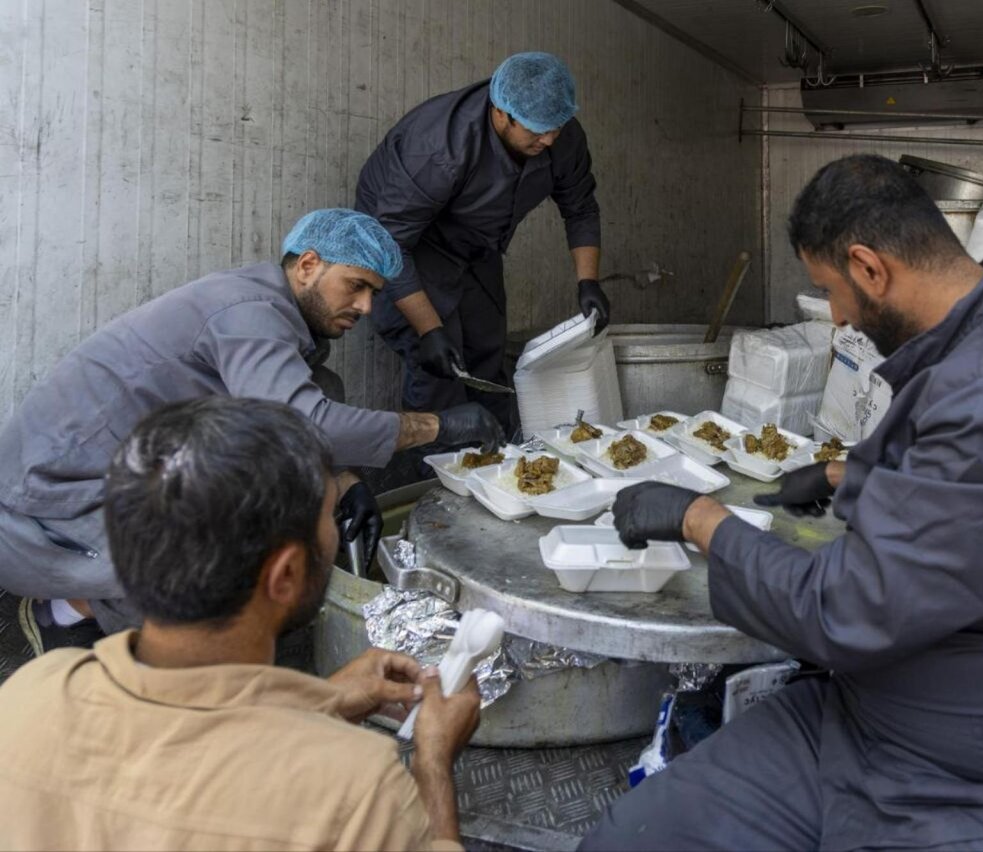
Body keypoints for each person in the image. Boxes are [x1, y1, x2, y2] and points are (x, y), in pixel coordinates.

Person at [589, 155, 983, 850]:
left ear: (870, 268)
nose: (843, 320)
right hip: (888, 729)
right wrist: (840, 476)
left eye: (831, 291)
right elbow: (964, 498)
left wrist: (699, 518)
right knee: (636, 836)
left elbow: (848, 609)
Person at [0, 208, 505, 653]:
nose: (367, 307)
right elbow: (306, 421)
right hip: (53, 497)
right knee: (205, 593)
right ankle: (69, 609)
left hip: (134, 468)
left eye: (374, 293)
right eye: (356, 285)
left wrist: (346, 482)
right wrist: (433, 425)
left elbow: (294, 407)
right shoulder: (248, 313)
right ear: (308, 266)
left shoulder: (268, 312)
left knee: (319, 391)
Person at [0, 398, 480, 850]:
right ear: (286, 574)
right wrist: (433, 762)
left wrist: (322, 702)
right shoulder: (354, 790)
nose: (335, 533)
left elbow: (179, 761)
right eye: (329, 517)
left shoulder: (29, 696)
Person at [356, 51, 607, 437]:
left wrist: (588, 282)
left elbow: (581, 209)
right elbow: (390, 246)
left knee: (488, 354)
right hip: (407, 245)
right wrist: (429, 331)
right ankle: (437, 480)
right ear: (500, 112)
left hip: (476, 245)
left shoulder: (561, 136)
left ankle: (498, 467)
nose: (550, 138)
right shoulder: (439, 148)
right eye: (538, 130)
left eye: (556, 126)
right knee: (439, 367)